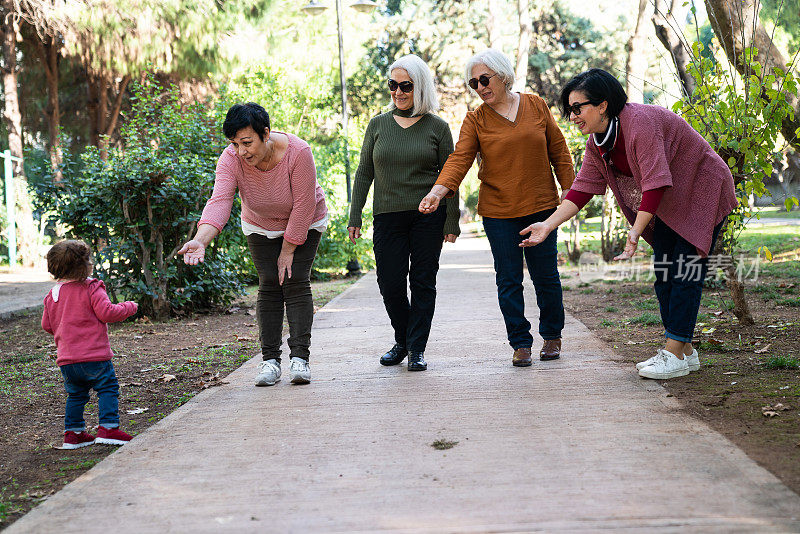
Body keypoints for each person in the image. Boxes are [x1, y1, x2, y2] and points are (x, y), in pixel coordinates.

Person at [519, 68, 737, 379]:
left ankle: (673, 352)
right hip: (671, 202)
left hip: (702, 190)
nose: (573, 117)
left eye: (578, 108)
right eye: (570, 111)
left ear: (603, 104)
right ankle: (685, 353)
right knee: (665, 275)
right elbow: (582, 188)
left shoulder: (640, 124)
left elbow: (656, 183)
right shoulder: (599, 143)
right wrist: (548, 225)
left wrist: (635, 231)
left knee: (685, 271)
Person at [419, 48, 575, 367]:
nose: (480, 87)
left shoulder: (535, 105)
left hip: (541, 205)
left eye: (485, 79)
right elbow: (460, 158)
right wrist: (437, 191)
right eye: (474, 83)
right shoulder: (476, 119)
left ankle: (552, 336)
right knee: (508, 278)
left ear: (503, 76)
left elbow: (558, 149)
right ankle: (520, 342)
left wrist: (571, 194)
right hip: (498, 212)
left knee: (546, 276)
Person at [179, 103, 328, 386]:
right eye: (234, 144)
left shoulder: (298, 152)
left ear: (266, 134)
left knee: (294, 281)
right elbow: (220, 200)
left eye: (246, 142)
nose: (241, 151)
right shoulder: (230, 159)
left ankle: (300, 359)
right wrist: (200, 241)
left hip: (305, 220)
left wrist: (288, 248)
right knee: (269, 282)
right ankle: (270, 361)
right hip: (259, 224)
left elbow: (304, 204)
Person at [348, 54, 460, 372]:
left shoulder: (437, 127)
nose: (398, 92)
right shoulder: (377, 125)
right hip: (387, 216)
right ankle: (404, 338)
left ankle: (416, 349)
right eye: (393, 85)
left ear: (420, 87)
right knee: (390, 282)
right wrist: (355, 215)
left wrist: (451, 219)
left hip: (428, 216)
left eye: (406, 86)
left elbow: (450, 176)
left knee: (423, 282)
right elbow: (363, 173)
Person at [41, 240, 138, 449]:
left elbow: (47, 325)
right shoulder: (91, 287)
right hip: (94, 356)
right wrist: (129, 307)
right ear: (84, 265)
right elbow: (107, 312)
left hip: (67, 360)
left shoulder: (53, 294)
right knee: (107, 388)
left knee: (76, 395)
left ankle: (74, 434)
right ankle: (108, 429)